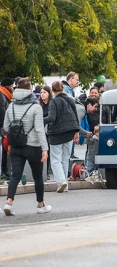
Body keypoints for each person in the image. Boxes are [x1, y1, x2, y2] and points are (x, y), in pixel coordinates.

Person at [3, 77, 51, 216]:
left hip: (16, 146)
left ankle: (9, 203)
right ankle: (40, 205)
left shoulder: (11, 105)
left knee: (15, 175)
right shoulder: (35, 107)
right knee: (37, 177)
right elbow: (39, 129)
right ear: (30, 89)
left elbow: (6, 126)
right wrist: (44, 148)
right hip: (33, 146)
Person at [44, 81, 80, 193]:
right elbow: (75, 115)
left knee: (55, 160)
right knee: (65, 159)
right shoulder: (70, 99)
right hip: (69, 132)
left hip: (57, 133)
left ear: (52, 91)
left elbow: (52, 118)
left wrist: (39, 119)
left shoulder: (54, 101)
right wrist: (77, 131)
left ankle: (61, 182)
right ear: (62, 88)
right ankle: (65, 185)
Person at [0, 77, 14, 178]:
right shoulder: (2, 95)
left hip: (3, 125)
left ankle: (4, 170)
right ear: (8, 86)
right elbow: (2, 112)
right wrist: (4, 127)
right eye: (12, 86)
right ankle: (3, 170)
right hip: (2, 126)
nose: (13, 87)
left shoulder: (5, 94)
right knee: (3, 150)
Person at [39, 85, 53, 179]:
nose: (42, 94)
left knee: (48, 150)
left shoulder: (52, 104)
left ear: (49, 93)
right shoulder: (39, 105)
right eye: (41, 93)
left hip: (51, 130)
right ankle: (42, 172)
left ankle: (46, 171)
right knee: (43, 150)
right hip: (41, 131)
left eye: (44, 92)